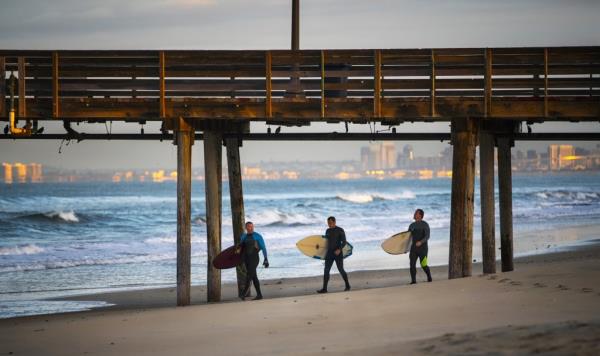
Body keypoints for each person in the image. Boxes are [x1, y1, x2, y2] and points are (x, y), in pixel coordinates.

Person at [317, 216, 351, 293]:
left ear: (335, 222)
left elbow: (344, 242)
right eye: (328, 223)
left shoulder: (340, 230)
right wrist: (323, 254)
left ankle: (348, 285)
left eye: (331, 223)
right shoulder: (327, 231)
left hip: (338, 253)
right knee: (326, 270)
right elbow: (326, 243)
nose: (329, 224)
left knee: (341, 269)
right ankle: (324, 289)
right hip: (329, 253)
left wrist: (339, 249)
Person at [238, 221, 269, 300]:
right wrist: (238, 259)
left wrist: (266, 259)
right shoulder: (243, 237)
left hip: (254, 258)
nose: (251, 228)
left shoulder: (257, 236)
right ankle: (259, 295)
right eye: (249, 226)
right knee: (254, 277)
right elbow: (240, 248)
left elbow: (263, 248)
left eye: (252, 226)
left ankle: (243, 293)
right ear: (246, 228)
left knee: (249, 275)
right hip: (246, 259)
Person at [408, 209, 432, 284]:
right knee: (412, 264)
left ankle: (429, 277)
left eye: (416, 213)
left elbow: (427, 236)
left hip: (423, 249)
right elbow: (408, 238)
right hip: (413, 248)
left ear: (420, 215)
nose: (414, 214)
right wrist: (405, 248)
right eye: (414, 212)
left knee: (423, 264)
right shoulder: (411, 225)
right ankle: (413, 281)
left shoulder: (425, 224)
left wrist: (421, 242)